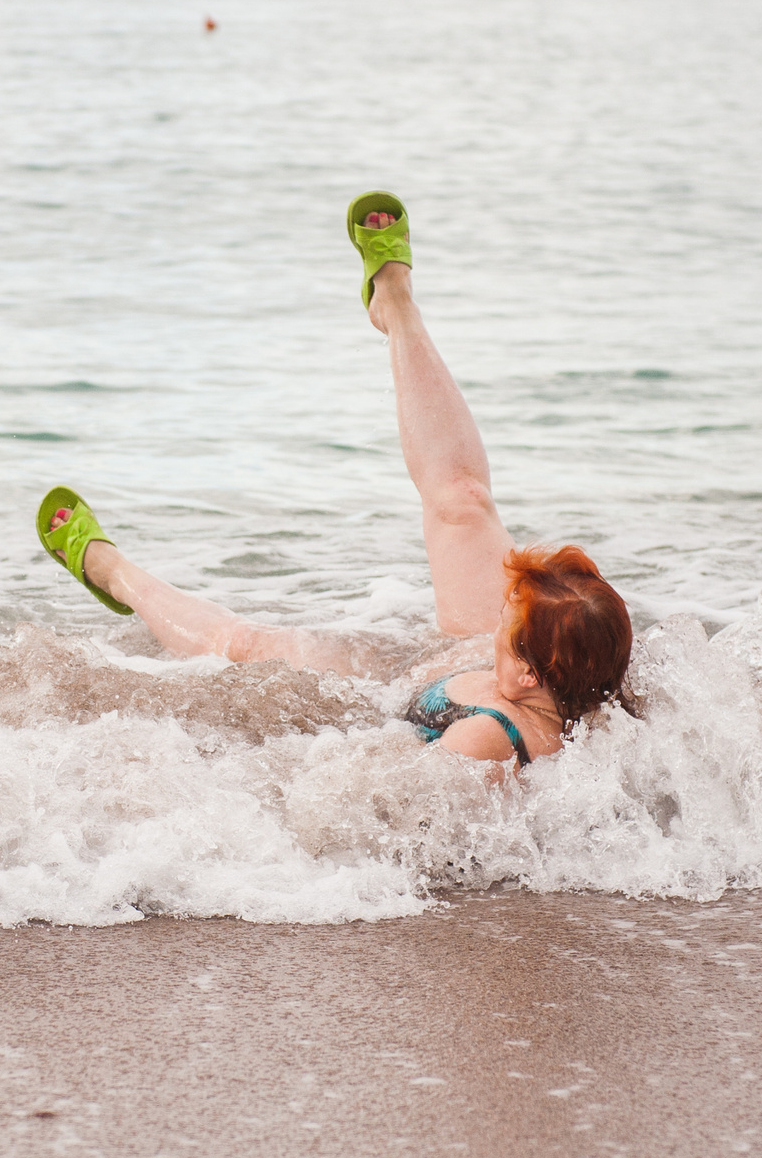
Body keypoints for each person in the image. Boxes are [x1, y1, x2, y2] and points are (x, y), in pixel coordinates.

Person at [35, 193, 631, 767]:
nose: (503, 603)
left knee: (243, 645)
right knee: (463, 501)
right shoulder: (577, 674)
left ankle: (112, 573)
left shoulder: (489, 740)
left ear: (528, 671)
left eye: (511, 613)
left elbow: (390, 809)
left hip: (396, 685)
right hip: (481, 664)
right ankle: (395, 304)